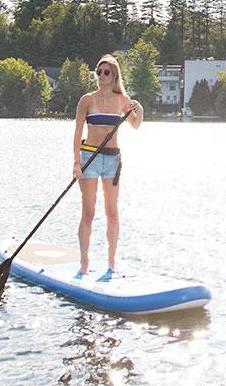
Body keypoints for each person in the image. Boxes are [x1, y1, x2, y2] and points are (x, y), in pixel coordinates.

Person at [72, 54, 143, 281]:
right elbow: (77, 132)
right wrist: (76, 162)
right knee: (89, 212)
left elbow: (135, 125)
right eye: (98, 71)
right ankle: (84, 264)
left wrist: (138, 110)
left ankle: (112, 264)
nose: (101, 76)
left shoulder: (122, 100)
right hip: (89, 158)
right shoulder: (87, 100)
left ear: (114, 76)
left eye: (106, 72)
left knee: (112, 213)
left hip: (112, 160)